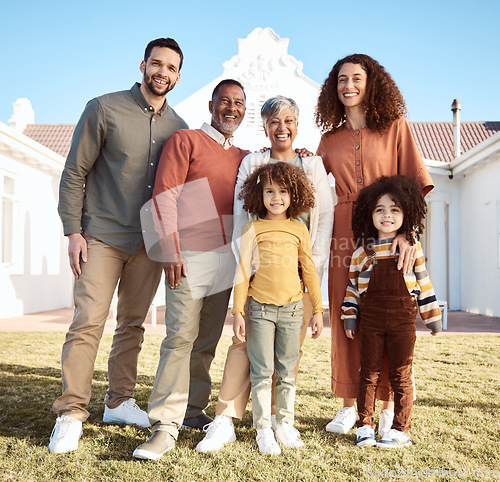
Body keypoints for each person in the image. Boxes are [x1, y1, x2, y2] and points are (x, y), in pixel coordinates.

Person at [49, 38, 188, 454]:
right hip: (102, 237)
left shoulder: (179, 128)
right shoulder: (103, 107)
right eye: (157, 64)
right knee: (89, 319)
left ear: (179, 76)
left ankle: (119, 401)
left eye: (172, 68)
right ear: (143, 65)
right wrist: (73, 230)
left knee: (132, 324)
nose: (163, 72)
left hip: (147, 245)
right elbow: (75, 170)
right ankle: (71, 412)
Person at [196, 95, 333, 453]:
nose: (282, 128)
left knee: (289, 354)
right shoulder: (253, 161)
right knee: (243, 345)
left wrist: (312, 268)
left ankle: (277, 420)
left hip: (298, 277)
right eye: (274, 121)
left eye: (288, 121)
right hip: (257, 277)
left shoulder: (312, 164)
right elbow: (242, 215)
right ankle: (225, 419)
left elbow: (325, 219)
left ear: (297, 126)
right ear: (266, 127)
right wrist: (248, 264)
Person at [315, 54, 435, 436]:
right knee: (346, 312)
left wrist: (407, 233)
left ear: (372, 84)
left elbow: (415, 183)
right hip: (344, 232)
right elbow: (313, 186)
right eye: (341, 80)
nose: (348, 86)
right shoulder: (328, 139)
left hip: (390, 231)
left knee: (389, 313)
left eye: (356, 78)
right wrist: (303, 158)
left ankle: (385, 407)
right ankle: (350, 405)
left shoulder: (396, 127)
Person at [132, 79, 249, 461]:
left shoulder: (246, 157)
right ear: (212, 104)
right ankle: (164, 425)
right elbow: (163, 195)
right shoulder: (186, 141)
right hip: (188, 255)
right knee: (179, 339)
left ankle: (193, 410)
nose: (231, 108)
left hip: (226, 258)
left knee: (206, 341)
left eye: (239, 103)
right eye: (225, 101)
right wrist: (170, 249)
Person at [340, 175, 442, 448]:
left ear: (405, 214)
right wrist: (350, 318)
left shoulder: (412, 248)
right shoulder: (362, 252)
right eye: (380, 209)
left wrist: (433, 317)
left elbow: (423, 280)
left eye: (395, 209)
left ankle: (400, 429)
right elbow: (352, 288)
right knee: (368, 373)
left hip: (402, 320)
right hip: (370, 319)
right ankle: (365, 426)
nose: (387, 215)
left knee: (401, 374)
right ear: (369, 214)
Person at [232, 162, 324, 454]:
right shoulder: (252, 229)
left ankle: (283, 424)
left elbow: (309, 271)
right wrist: (237, 312)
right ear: (259, 195)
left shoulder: (299, 229)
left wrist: (318, 310)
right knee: (262, 371)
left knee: (287, 371)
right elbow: (243, 272)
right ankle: (262, 429)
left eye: (283, 191)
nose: (276, 197)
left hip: (293, 310)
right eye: (269, 191)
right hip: (259, 310)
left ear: (293, 194)